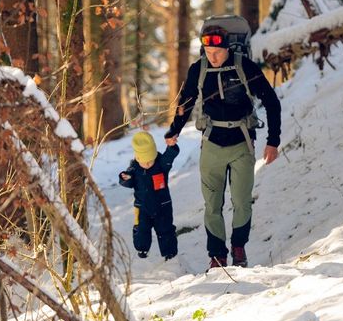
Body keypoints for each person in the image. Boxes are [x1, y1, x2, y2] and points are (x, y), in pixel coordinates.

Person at [165, 23, 281, 270]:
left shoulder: (245, 66)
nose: (213, 56)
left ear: (227, 48)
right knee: (212, 204)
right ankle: (217, 256)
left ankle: (239, 249)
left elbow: (271, 102)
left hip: (241, 142)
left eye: (217, 51)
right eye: (208, 51)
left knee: (241, 200)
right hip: (211, 144)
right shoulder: (199, 69)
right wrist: (174, 130)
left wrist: (273, 141)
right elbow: (186, 102)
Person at [119, 131, 179, 260]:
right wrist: (125, 177)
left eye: (150, 161)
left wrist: (172, 147)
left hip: (163, 205)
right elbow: (128, 182)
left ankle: (170, 253)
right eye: (144, 162)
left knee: (166, 229)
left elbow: (170, 156)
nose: (147, 164)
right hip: (142, 207)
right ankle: (142, 249)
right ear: (137, 158)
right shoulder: (134, 168)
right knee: (142, 230)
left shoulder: (161, 164)